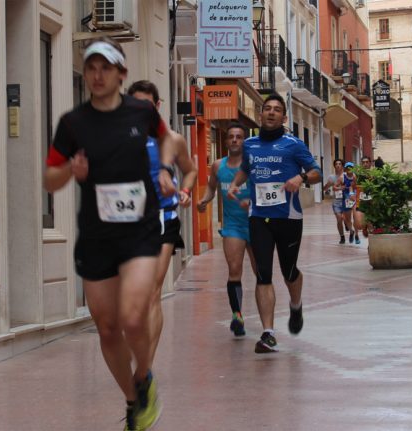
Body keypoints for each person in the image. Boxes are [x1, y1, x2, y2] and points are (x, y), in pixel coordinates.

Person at [43, 38, 175, 431]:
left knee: (134, 318)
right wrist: (71, 172)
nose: (97, 76)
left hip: (140, 228)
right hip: (97, 234)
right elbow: (49, 179)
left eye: (105, 68)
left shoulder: (142, 112)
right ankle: (135, 399)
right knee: (106, 326)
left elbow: (167, 137)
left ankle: (145, 376)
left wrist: (165, 169)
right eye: (91, 68)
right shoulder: (73, 123)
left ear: (121, 74)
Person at [227, 93, 322, 353]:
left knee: (289, 270)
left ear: (283, 116)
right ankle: (268, 333)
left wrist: (300, 178)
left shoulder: (294, 144)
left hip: (288, 218)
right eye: (266, 108)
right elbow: (246, 168)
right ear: (260, 114)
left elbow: (317, 173)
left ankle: (296, 304)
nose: (270, 113)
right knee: (263, 273)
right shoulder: (250, 145)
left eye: (276, 110)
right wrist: (235, 184)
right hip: (259, 217)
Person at [128, 80, 197, 387]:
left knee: (152, 293)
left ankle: (145, 368)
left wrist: (184, 191)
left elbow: (191, 170)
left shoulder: (173, 139)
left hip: (161, 219)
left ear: (156, 106)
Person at [197, 123, 256, 336]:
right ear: (226, 140)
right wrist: (204, 200)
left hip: (256, 223)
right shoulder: (217, 166)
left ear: (244, 141)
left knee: (261, 273)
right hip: (232, 226)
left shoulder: (252, 165)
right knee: (234, 270)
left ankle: (265, 316)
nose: (234, 140)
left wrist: (250, 201)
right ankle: (237, 315)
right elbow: (212, 187)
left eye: (239, 137)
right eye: (231, 136)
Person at [323, 158, 351, 244]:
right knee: (339, 218)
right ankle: (342, 237)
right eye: (336, 164)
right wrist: (325, 187)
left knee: (346, 219)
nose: (338, 165)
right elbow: (326, 188)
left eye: (339, 164)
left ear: (342, 166)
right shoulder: (332, 177)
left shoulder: (347, 175)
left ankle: (347, 224)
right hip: (336, 202)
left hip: (346, 200)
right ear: (334, 166)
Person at [339, 162, 359, 244]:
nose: (349, 169)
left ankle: (357, 235)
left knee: (355, 217)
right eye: (348, 168)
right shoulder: (342, 177)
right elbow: (335, 187)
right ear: (345, 169)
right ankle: (351, 231)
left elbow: (356, 187)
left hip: (353, 198)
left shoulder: (355, 176)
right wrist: (341, 187)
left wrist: (353, 192)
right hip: (346, 199)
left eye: (351, 168)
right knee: (347, 219)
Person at [354, 156, 373, 237]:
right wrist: (351, 194)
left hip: (371, 203)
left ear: (370, 163)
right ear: (361, 164)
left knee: (371, 226)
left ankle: (371, 245)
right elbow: (352, 186)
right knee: (359, 225)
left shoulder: (375, 174)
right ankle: (364, 226)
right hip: (360, 202)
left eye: (367, 162)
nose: (365, 164)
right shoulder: (357, 175)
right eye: (363, 162)